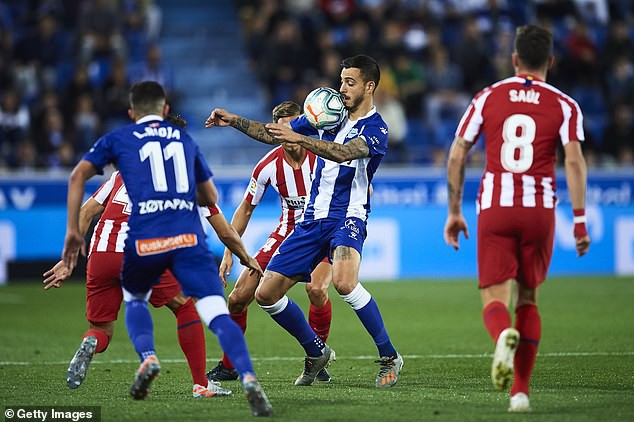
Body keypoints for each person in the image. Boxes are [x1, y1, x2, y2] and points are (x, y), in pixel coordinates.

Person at [61, 81, 272, 417]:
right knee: (192, 308)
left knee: (106, 324)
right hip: (153, 245)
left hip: (104, 251)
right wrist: (244, 255)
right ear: (163, 113)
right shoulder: (185, 160)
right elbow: (217, 213)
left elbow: (87, 208)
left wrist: (71, 244)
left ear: (133, 114)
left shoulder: (120, 166)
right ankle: (210, 381)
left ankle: (129, 352)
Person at [205, 55, 403, 388]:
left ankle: (389, 356)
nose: (342, 88)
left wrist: (303, 139)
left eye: (350, 82)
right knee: (265, 294)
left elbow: (342, 153)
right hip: (311, 219)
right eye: (341, 81)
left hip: (348, 216)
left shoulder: (376, 129)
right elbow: (274, 134)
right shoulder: (328, 117)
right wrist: (234, 119)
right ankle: (316, 351)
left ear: (369, 86)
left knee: (342, 282)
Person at [443, 25, 591, 413]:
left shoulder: (487, 97)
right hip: (539, 211)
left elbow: (458, 153)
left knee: (494, 298)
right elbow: (574, 160)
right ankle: (520, 394)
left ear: (514, 59)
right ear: (551, 62)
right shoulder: (564, 104)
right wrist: (578, 220)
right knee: (529, 298)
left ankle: (501, 336)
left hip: (495, 208)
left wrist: (455, 211)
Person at [207, 101, 333, 383]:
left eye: (295, 126)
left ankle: (316, 359)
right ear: (275, 131)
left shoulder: (322, 155)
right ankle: (230, 365)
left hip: (321, 234)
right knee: (238, 298)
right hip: (285, 235)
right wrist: (230, 252)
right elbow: (245, 209)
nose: (288, 134)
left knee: (316, 290)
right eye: (282, 128)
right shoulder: (267, 166)